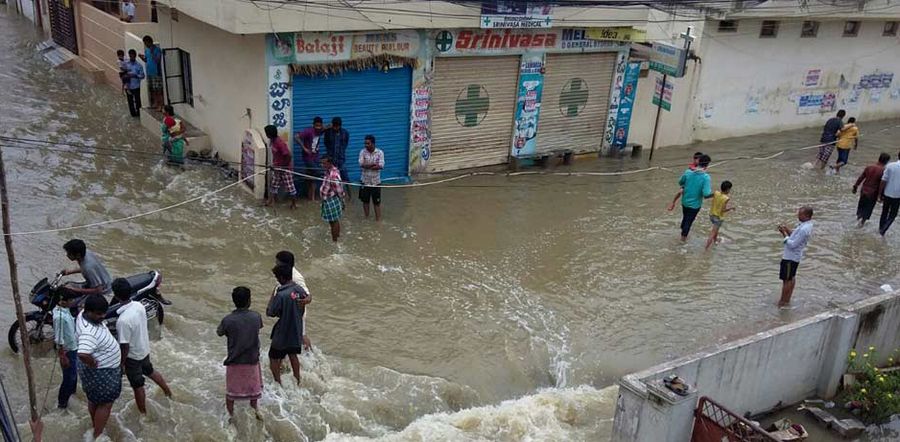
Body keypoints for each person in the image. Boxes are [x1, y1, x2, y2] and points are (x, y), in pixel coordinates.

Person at [112, 278, 172, 415]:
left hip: (133, 357)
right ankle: (168, 392)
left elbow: (124, 346)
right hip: (144, 349)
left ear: (115, 295)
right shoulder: (139, 306)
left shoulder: (123, 321)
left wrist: (121, 364)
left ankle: (143, 412)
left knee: (137, 385)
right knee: (150, 371)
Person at [77, 295, 122, 439]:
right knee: (105, 404)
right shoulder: (89, 332)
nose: (103, 316)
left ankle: (95, 425)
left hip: (94, 373)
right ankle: (97, 434)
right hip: (101, 373)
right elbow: (83, 354)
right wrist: (92, 362)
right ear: (88, 311)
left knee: (94, 399)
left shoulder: (82, 315)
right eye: (98, 314)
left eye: (104, 313)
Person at [217, 287, 264, 420]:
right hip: (252, 360)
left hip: (234, 362)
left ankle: (231, 416)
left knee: (231, 395)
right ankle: (256, 411)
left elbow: (219, 332)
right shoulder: (256, 317)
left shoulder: (228, 320)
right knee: (254, 393)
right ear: (249, 301)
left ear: (234, 301)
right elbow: (258, 328)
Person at [266, 265, 309, 385]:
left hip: (282, 331)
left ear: (281, 277)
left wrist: (272, 297)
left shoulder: (280, 294)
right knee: (293, 355)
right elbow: (306, 298)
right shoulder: (299, 289)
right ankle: (297, 379)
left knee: (273, 357)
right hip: (295, 330)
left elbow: (270, 312)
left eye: (276, 277)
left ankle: (277, 382)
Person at [668, 154, 713, 241]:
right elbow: (706, 194)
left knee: (685, 218)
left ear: (698, 162)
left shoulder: (688, 172)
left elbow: (680, 182)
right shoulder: (706, 177)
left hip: (685, 201)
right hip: (695, 205)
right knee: (688, 222)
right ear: (707, 165)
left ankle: (682, 233)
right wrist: (716, 194)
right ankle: (682, 240)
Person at [777, 207, 814, 307]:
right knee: (791, 278)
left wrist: (783, 234)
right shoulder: (805, 226)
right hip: (794, 257)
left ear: (806, 216)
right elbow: (795, 236)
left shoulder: (804, 229)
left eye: (800, 214)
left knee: (787, 280)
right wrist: (787, 230)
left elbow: (792, 245)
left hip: (790, 257)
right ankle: (786, 299)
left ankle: (783, 301)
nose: (798, 215)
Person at [275, 251, 312, 350]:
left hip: (296, 312)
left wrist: (304, 302)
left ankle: (311, 358)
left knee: (302, 336)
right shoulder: (283, 272)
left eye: (277, 262)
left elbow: (307, 295)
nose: (276, 264)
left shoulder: (296, 277)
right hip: (288, 310)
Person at [53, 290, 79, 409]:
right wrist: (63, 356)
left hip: (73, 347)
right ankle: (62, 403)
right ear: (63, 301)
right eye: (71, 300)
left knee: (73, 375)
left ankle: (72, 394)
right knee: (68, 378)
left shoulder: (64, 310)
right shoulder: (59, 317)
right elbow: (58, 339)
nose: (73, 302)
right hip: (68, 351)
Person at [265, 124, 297, 209]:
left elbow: (289, 156)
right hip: (276, 168)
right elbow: (276, 156)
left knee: (290, 187)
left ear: (269, 134)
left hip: (285, 169)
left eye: (266, 133)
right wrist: (273, 165)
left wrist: (284, 167)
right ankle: (271, 201)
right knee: (274, 185)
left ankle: (294, 204)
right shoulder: (272, 141)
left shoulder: (280, 143)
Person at [853, 153, 889, 228]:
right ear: (886, 161)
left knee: (861, 207)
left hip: (864, 191)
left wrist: (855, 186)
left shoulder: (869, 167)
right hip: (873, 193)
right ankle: (861, 225)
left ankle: (857, 221)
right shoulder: (884, 170)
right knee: (867, 210)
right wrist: (881, 196)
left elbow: (861, 177)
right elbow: (882, 185)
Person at [294, 117, 325, 201]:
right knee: (318, 173)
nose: (318, 127)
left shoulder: (322, 130)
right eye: (316, 126)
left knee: (312, 177)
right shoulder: (308, 131)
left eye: (319, 126)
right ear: (313, 125)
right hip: (308, 158)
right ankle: (311, 196)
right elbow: (296, 136)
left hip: (316, 158)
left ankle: (311, 197)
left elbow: (328, 126)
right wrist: (304, 148)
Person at [319, 156, 346, 241]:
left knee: (334, 221)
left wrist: (343, 201)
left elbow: (339, 190)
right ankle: (336, 238)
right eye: (322, 163)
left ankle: (335, 240)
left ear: (330, 163)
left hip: (332, 200)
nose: (322, 165)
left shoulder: (333, 175)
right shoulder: (328, 171)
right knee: (332, 220)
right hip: (327, 199)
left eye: (324, 163)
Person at [359, 135, 385, 221]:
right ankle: (366, 219)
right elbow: (361, 164)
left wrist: (368, 166)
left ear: (373, 144)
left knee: (376, 202)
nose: (366, 145)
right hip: (365, 181)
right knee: (365, 201)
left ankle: (378, 220)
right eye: (365, 143)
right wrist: (371, 165)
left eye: (368, 143)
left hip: (376, 182)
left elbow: (381, 165)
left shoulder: (380, 153)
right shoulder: (362, 152)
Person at [324, 117, 352, 198]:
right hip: (331, 160)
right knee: (329, 177)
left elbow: (345, 143)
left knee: (345, 177)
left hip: (341, 159)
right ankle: (330, 194)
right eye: (334, 126)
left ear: (340, 126)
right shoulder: (328, 132)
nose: (335, 128)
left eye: (337, 126)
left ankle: (349, 196)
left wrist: (341, 152)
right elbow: (326, 143)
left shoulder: (345, 133)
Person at [705, 180, 734, 250]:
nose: (729, 191)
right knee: (712, 233)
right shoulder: (726, 198)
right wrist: (730, 208)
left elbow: (706, 197)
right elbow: (723, 210)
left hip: (711, 215)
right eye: (730, 189)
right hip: (718, 218)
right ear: (727, 189)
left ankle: (715, 241)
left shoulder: (716, 193)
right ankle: (706, 248)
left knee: (716, 230)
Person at [139, 36, 164, 112]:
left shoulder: (157, 50)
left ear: (150, 42)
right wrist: (142, 58)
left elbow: (157, 60)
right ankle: (155, 103)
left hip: (156, 73)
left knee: (158, 90)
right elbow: (147, 60)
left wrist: (153, 52)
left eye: (146, 42)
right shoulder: (147, 50)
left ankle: (161, 105)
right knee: (152, 90)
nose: (145, 44)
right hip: (149, 73)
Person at [879, 151, 900, 236]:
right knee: (893, 215)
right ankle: (883, 230)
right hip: (898, 196)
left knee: (884, 211)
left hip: (887, 193)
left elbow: (883, 180)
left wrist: (880, 193)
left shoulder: (890, 166)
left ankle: (880, 228)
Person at [123, 49, 145, 117]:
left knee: (138, 101)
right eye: (130, 56)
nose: (131, 57)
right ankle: (133, 114)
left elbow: (142, 76)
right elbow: (122, 74)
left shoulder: (139, 65)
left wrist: (135, 76)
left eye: (133, 56)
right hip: (128, 86)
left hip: (136, 86)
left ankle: (139, 114)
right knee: (130, 102)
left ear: (135, 56)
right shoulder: (126, 64)